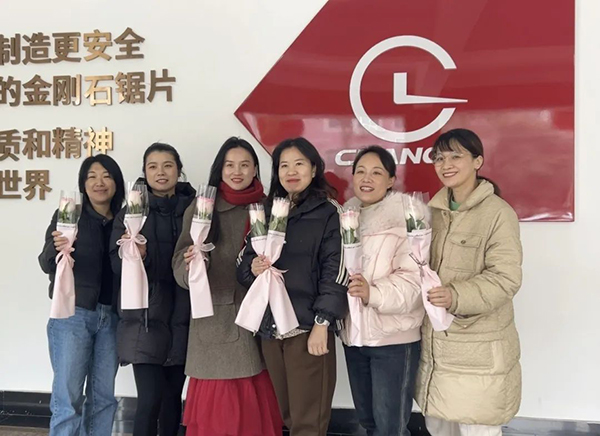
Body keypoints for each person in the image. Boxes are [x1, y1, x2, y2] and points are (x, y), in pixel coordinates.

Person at [237, 137, 349, 436]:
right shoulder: (267, 211)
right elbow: (243, 264)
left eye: (299, 163)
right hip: (271, 329)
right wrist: (252, 267)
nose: (291, 171)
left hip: (307, 328)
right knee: (287, 415)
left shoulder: (329, 212)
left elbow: (337, 271)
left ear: (314, 168)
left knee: (308, 420)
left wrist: (322, 323)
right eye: (284, 165)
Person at [415, 128, 523, 436]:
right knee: (439, 428)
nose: (445, 164)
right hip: (437, 351)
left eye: (455, 156)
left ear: (478, 161)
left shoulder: (498, 214)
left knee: (477, 429)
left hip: (478, 356)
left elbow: (506, 278)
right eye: (439, 158)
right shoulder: (430, 214)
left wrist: (455, 296)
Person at [172, 137, 282, 436]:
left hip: (263, 322)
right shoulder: (203, 208)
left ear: (255, 169)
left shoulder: (270, 208)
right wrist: (192, 265)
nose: (237, 171)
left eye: (245, 165)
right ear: (219, 169)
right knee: (221, 416)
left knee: (256, 411)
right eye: (230, 165)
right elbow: (178, 263)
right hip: (218, 323)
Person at [110, 143, 195, 436]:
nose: (161, 172)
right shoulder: (132, 213)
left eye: (168, 165)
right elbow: (116, 265)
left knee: (173, 400)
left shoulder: (196, 211)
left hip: (183, 318)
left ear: (178, 170)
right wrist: (136, 256)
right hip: (144, 321)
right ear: (144, 172)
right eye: (153, 166)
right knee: (149, 400)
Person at [39, 154, 125, 436]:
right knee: (68, 400)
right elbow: (46, 263)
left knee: (104, 399)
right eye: (92, 176)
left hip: (112, 318)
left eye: (107, 176)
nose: (100, 182)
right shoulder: (69, 215)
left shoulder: (127, 221)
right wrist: (56, 248)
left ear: (116, 182)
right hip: (72, 315)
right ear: (83, 184)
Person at [341, 146, 423, 436]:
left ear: (390, 180)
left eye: (376, 172)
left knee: (391, 428)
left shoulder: (408, 219)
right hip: (355, 337)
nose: (367, 178)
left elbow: (414, 283)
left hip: (393, 341)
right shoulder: (345, 219)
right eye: (361, 171)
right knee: (368, 422)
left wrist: (372, 294)